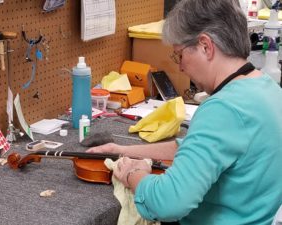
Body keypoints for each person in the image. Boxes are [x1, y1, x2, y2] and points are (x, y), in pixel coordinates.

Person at [87, 0, 282, 224]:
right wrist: (123, 150)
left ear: (205, 46)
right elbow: (198, 148)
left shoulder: (224, 109)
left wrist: (132, 176)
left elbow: (168, 203)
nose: (180, 67)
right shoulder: (268, 88)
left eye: (179, 55)